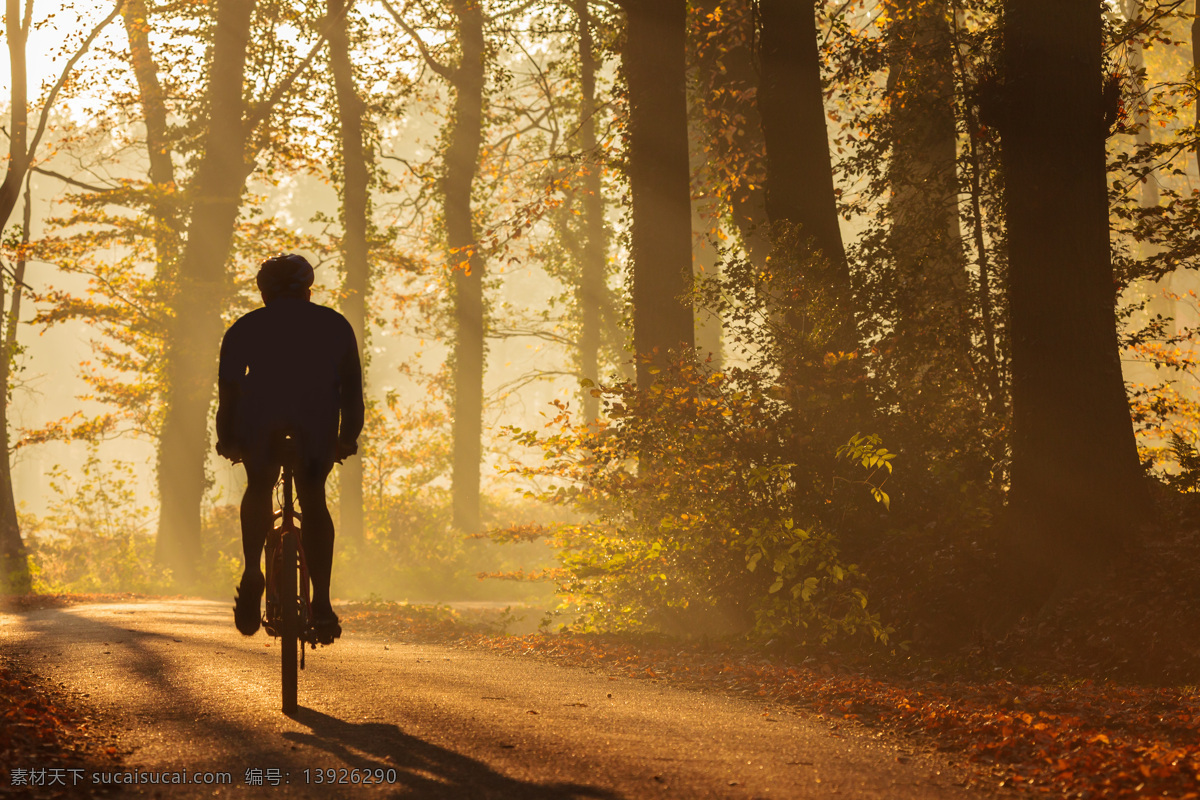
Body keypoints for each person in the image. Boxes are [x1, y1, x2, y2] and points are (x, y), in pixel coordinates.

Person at [215, 254, 364, 644]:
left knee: (259, 486)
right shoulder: (333, 325)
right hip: (315, 421)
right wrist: (347, 437)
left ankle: (252, 570)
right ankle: (323, 604)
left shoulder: (244, 328)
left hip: (259, 420)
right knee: (313, 497)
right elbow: (351, 389)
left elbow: (229, 390)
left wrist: (228, 438)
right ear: (308, 290)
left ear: (263, 293)